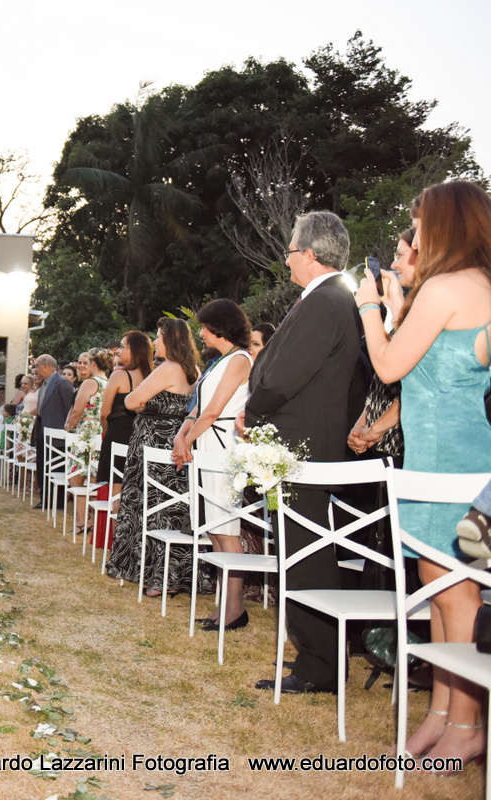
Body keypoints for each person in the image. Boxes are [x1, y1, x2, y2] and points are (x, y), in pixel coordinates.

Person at [356, 181, 491, 766]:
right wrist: (393, 309)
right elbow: (427, 373)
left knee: (454, 594)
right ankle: (440, 714)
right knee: (439, 590)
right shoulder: (476, 286)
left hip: (449, 465)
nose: (410, 232)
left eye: (417, 220)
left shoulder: (446, 287)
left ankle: (466, 723)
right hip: (455, 459)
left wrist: (365, 307)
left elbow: (387, 364)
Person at [244, 210, 367, 695]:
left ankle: (320, 664)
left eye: (291, 249)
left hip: (303, 449)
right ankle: (316, 657)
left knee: (307, 556)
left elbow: (284, 373)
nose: (287, 257)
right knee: (301, 553)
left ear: (310, 254)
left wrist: (252, 411)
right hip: (298, 447)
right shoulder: (327, 299)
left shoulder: (327, 302)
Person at [171, 300, 253, 629]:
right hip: (206, 444)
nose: (200, 333)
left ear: (220, 328)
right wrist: (181, 436)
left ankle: (234, 607)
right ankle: (223, 604)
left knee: (227, 529)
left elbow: (213, 411)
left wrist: (187, 441)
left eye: (205, 327)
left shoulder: (239, 360)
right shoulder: (218, 362)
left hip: (222, 448)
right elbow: (197, 407)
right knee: (215, 531)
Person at [104, 318, 200, 594]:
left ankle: (156, 577)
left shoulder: (168, 368)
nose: (155, 342)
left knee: (148, 505)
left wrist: (142, 401)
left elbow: (131, 401)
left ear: (169, 339)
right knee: (173, 506)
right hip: (177, 439)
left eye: (158, 337)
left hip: (152, 439)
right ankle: (169, 575)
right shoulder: (193, 368)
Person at [347, 228, 418, 464]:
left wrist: (369, 307)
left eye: (399, 255)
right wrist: (361, 426)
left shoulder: (429, 310)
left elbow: (410, 383)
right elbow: (381, 386)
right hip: (382, 445)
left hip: (407, 445)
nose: (394, 265)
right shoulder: (409, 311)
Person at [64, 349, 112, 534]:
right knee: (93, 480)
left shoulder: (90, 383)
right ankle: (92, 520)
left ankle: (80, 522)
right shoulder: (108, 383)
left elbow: (77, 410)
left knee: (76, 479)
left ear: (93, 363)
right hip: (100, 433)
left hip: (84, 433)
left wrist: (70, 429)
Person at [96, 331, 153, 487]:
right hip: (144, 438)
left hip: (118, 436)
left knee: (117, 489)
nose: (118, 351)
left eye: (122, 346)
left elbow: (104, 413)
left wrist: (106, 433)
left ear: (135, 350)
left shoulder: (118, 376)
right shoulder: (154, 376)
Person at [31, 354, 75, 510]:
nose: (35, 369)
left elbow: (71, 407)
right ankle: (45, 499)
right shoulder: (44, 384)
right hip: (42, 431)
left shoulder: (62, 383)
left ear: (45, 366)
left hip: (57, 435)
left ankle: (58, 501)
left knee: (56, 467)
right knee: (42, 466)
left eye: (37, 366)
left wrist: (67, 429)